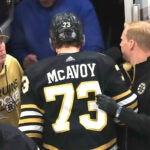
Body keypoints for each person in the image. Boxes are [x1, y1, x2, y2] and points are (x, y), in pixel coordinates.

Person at [18, 12, 137, 150]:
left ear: (52, 42)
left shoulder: (34, 72)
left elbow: (29, 131)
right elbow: (130, 111)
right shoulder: (104, 62)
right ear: (82, 39)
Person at [96, 21, 150, 150]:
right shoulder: (123, 73)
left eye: (122, 40)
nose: (120, 44)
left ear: (131, 44)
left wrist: (118, 111)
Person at [8, 0, 105, 69]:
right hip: (39, 78)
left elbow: (95, 48)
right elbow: (16, 48)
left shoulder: (82, 5)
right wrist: (23, 58)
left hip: (78, 71)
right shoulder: (22, 10)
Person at [0, 29, 23, 127]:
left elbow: (26, 94)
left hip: (20, 133)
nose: (1, 48)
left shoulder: (12, 62)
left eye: (1, 42)